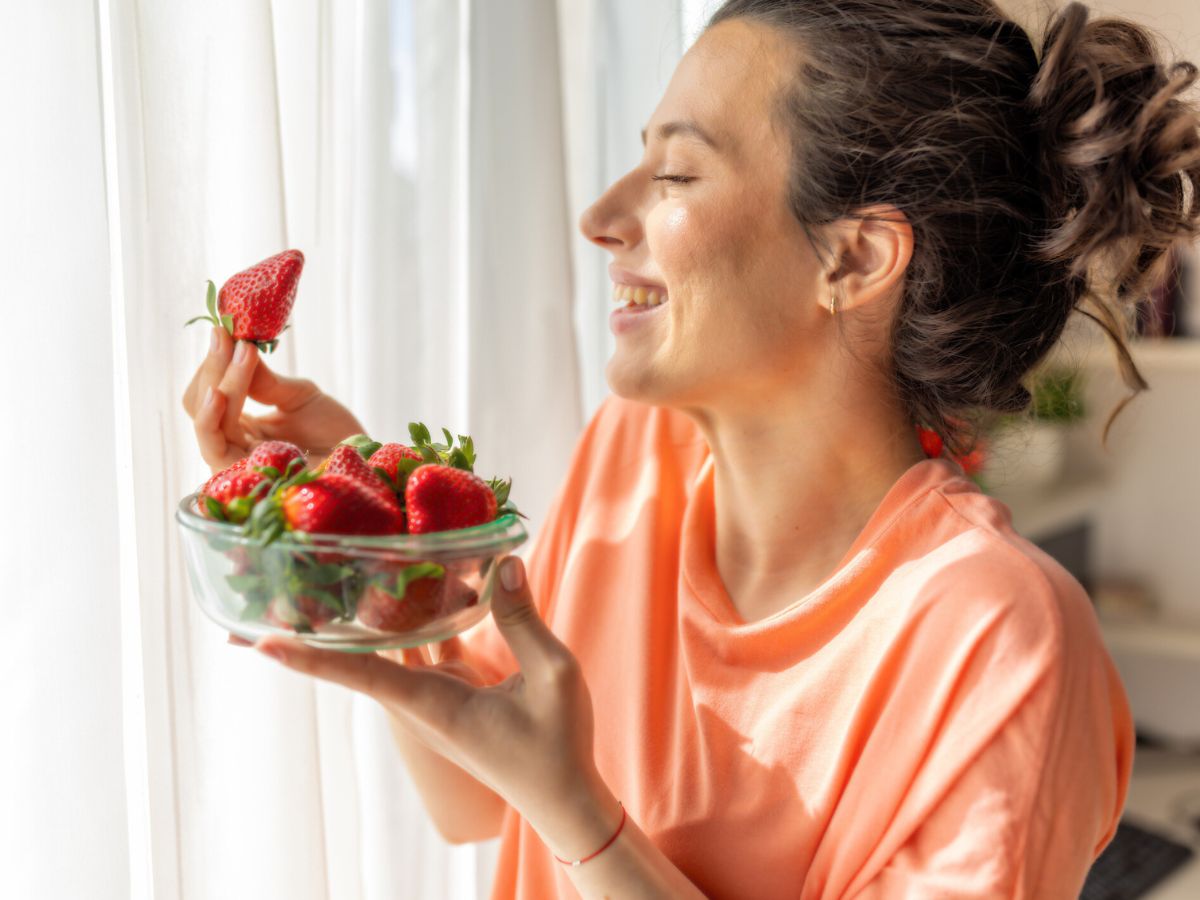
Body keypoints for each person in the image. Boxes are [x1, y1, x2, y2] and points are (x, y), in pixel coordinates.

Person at [182, 0, 1200, 896]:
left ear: (855, 257)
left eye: (674, 172)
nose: (601, 218)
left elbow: (549, 805)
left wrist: (585, 819)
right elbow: (470, 801)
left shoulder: (999, 639)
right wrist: (375, 538)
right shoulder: (636, 457)